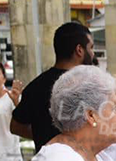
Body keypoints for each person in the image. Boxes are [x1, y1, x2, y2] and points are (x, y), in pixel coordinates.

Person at [11, 21, 96, 153]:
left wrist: (44, 137)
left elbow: (16, 126)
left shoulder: (35, 86)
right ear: (79, 50)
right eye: (91, 47)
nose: (93, 53)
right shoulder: (88, 86)